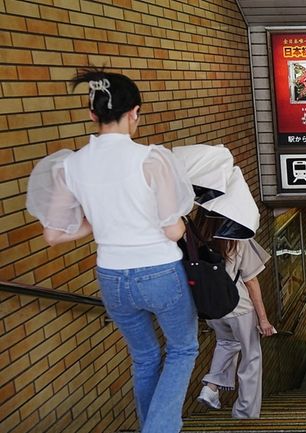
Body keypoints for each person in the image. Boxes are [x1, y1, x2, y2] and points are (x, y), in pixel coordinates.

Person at [26, 68, 197, 433]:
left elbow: (52, 234)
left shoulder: (69, 165)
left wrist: (95, 225)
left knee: (145, 357)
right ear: (135, 111)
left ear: (92, 115)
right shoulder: (151, 159)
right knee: (182, 350)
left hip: (111, 277)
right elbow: (173, 229)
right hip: (159, 271)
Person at [194, 211, 276, 419]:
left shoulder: (193, 237)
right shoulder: (236, 239)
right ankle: (245, 412)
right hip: (239, 308)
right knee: (251, 358)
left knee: (227, 344)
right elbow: (251, 282)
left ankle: (211, 387)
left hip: (212, 309)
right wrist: (263, 319)